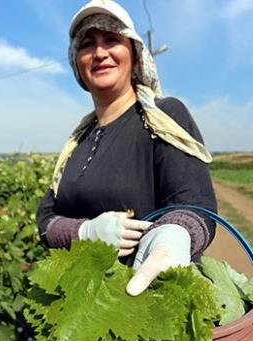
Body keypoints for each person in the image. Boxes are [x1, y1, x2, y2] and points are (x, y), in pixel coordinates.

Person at [35, 0, 217, 297]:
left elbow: (195, 205)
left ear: (134, 54)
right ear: (76, 62)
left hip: (145, 302)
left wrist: (174, 234)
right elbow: (45, 217)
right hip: (80, 302)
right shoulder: (78, 141)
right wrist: (84, 233)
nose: (100, 52)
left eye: (112, 39)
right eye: (87, 44)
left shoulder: (162, 116)